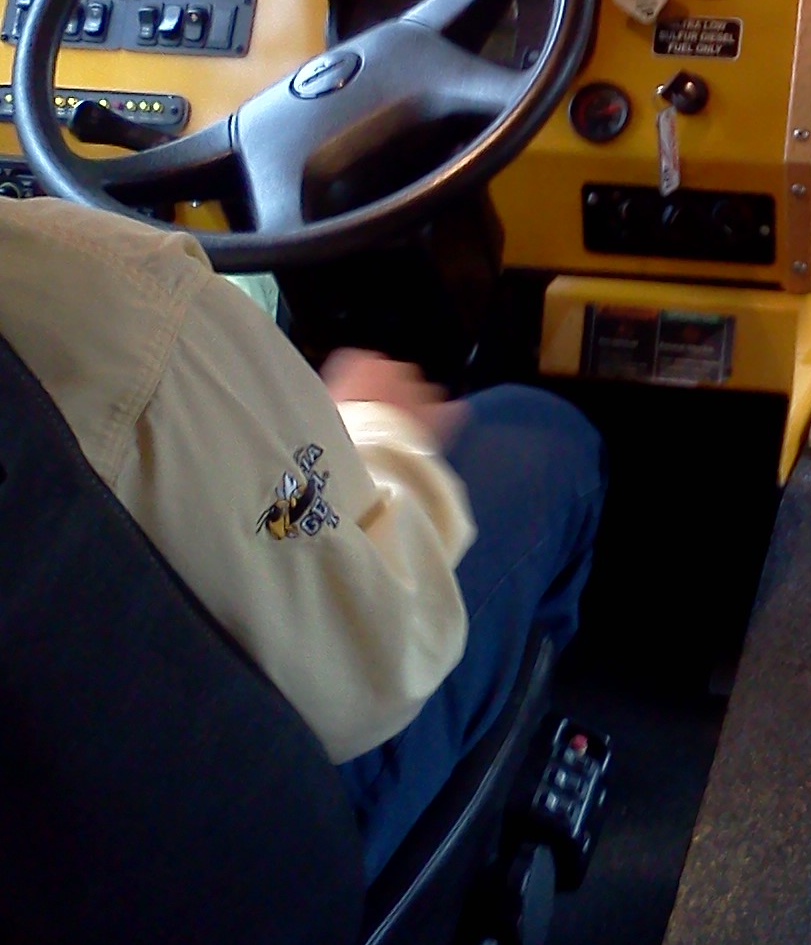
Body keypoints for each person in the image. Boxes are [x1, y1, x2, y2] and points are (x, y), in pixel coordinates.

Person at [0, 196, 604, 881]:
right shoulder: (102, 295)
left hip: (53, 861)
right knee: (541, 438)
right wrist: (381, 431)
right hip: (229, 874)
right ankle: (496, 822)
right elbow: (377, 659)